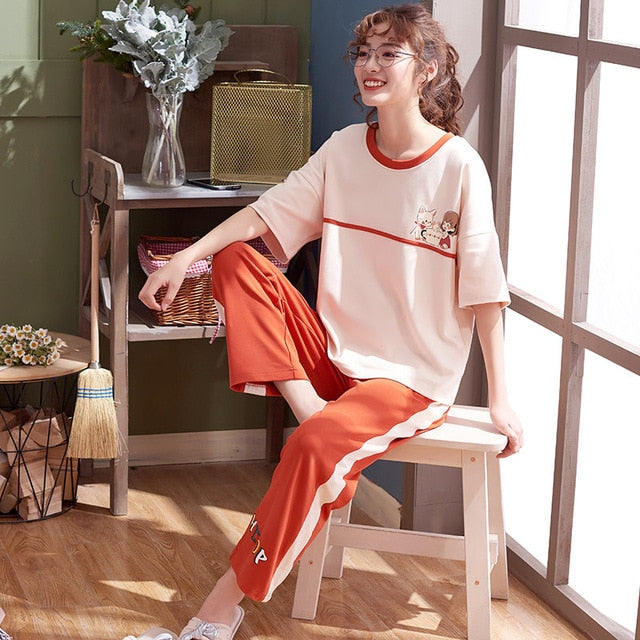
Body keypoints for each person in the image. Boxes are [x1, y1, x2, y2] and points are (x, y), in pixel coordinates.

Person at [132, 4, 524, 639]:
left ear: (426, 70)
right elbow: (263, 216)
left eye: (389, 54)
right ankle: (308, 406)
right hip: (330, 359)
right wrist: (184, 260)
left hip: (407, 381)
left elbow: (485, 293)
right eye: (364, 54)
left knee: (311, 447)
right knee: (235, 259)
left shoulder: (458, 167)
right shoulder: (344, 149)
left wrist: (501, 399)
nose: (370, 66)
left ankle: (214, 617)